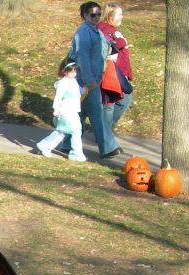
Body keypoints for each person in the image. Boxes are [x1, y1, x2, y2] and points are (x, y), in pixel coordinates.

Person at [60, 1, 121, 160]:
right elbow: (83, 57)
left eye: (99, 14)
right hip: (85, 80)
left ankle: (67, 144)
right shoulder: (83, 32)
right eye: (93, 14)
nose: (96, 17)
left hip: (93, 79)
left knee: (79, 113)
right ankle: (108, 148)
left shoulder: (95, 30)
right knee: (97, 112)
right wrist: (89, 80)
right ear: (85, 15)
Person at [35, 60, 87, 161]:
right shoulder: (63, 83)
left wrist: (86, 88)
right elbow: (58, 97)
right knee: (75, 131)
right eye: (71, 71)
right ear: (64, 71)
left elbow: (79, 91)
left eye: (75, 71)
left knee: (62, 131)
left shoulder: (73, 81)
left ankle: (45, 145)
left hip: (73, 111)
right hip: (66, 111)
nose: (74, 73)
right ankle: (76, 154)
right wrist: (56, 109)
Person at [99, 3, 134, 128]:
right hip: (112, 74)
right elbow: (107, 49)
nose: (122, 17)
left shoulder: (113, 30)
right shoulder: (103, 31)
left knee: (124, 101)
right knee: (111, 104)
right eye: (119, 14)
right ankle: (104, 130)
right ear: (110, 16)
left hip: (120, 73)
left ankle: (104, 128)